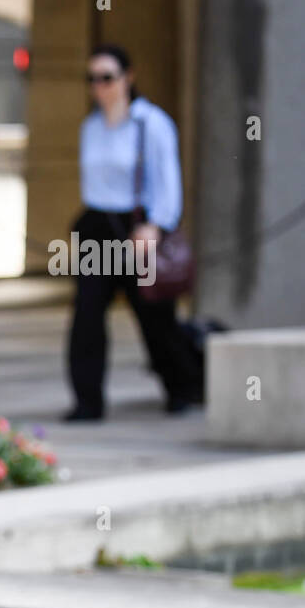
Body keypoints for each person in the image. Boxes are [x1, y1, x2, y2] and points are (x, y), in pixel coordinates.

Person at [64, 44, 202, 421]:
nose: (99, 86)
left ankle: (183, 389)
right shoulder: (90, 126)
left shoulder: (151, 123)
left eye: (107, 77)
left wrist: (156, 225)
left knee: (154, 314)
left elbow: (168, 181)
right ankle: (87, 402)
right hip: (96, 228)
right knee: (87, 316)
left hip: (139, 228)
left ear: (128, 77)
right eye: (92, 79)